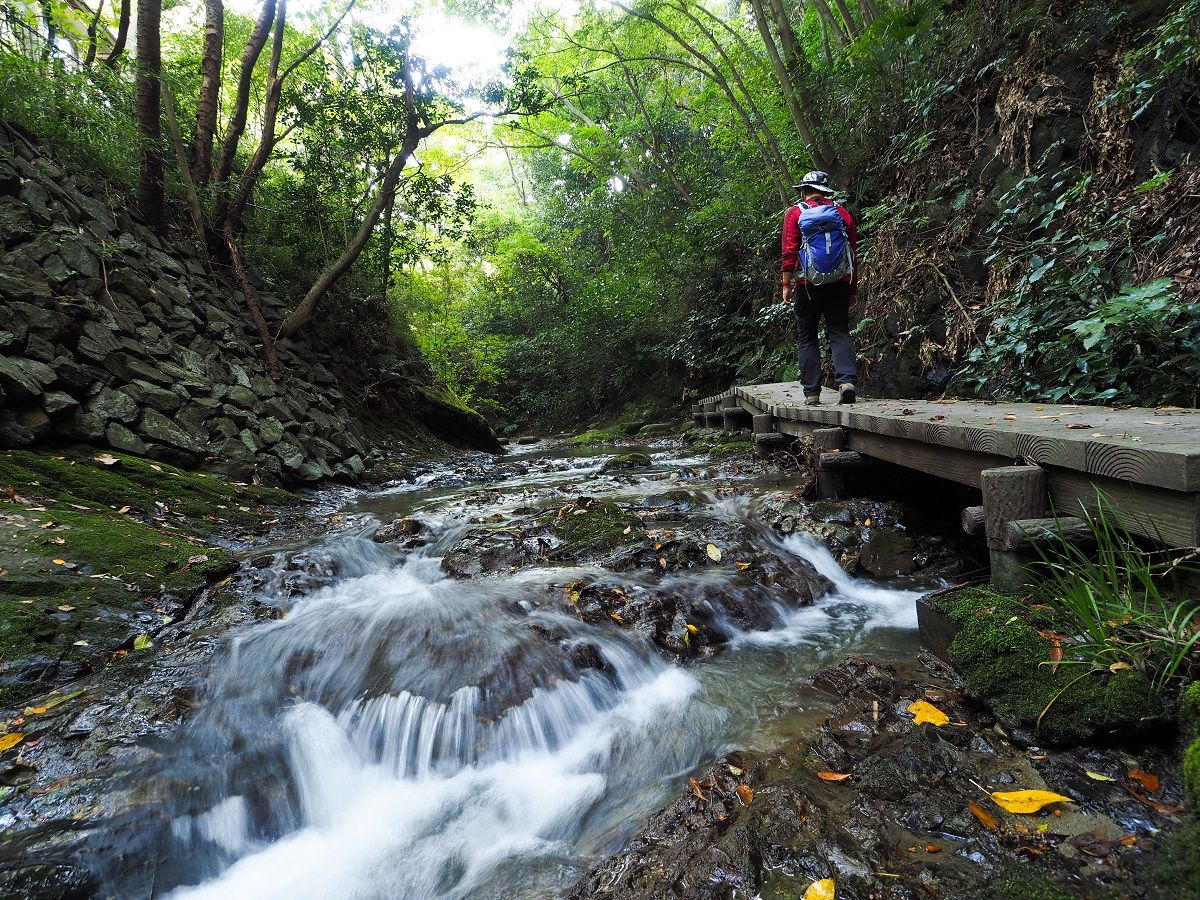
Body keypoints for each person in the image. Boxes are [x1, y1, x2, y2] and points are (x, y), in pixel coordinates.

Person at [780, 171, 858, 406]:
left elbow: (789, 252)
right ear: (825, 191)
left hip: (807, 284)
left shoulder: (795, 212)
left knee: (807, 337)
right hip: (840, 282)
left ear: (804, 191)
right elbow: (853, 253)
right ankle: (846, 382)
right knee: (839, 330)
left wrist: (786, 284)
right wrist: (852, 288)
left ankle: (812, 394)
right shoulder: (841, 212)